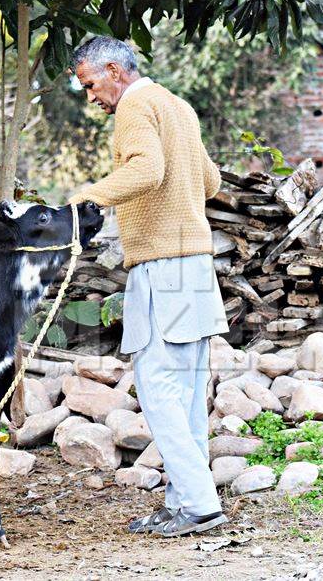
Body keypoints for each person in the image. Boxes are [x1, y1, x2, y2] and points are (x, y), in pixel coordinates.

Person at [67, 36, 230, 537]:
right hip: (195, 265)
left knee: (158, 389)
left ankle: (200, 504)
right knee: (184, 392)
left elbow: (147, 168)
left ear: (114, 70)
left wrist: (87, 196)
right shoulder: (177, 106)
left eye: (90, 84)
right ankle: (184, 499)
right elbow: (211, 181)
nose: (90, 96)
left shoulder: (135, 106)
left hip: (161, 267)